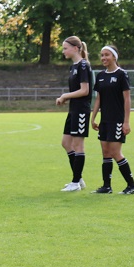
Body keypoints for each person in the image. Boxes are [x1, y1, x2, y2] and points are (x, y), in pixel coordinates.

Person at [91, 45, 134, 194]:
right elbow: (98, 99)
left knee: (115, 152)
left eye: (107, 55)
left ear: (114, 57)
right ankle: (107, 186)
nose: (103, 58)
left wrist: (126, 121)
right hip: (105, 120)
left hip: (117, 120)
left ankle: (132, 185)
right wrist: (93, 118)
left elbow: (127, 99)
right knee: (105, 152)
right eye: (102, 55)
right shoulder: (100, 76)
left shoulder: (121, 74)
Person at [56, 36, 93, 192]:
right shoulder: (73, 67)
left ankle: (75, 182)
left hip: (81, 110)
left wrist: (65, 96)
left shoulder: (84, 65)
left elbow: (85, 90)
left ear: (76, 48)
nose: (63, 51)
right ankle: (79, 179)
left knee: (78, 145)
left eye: (65, 48)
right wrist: (67, 98)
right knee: (66, 143)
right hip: (73, 110)